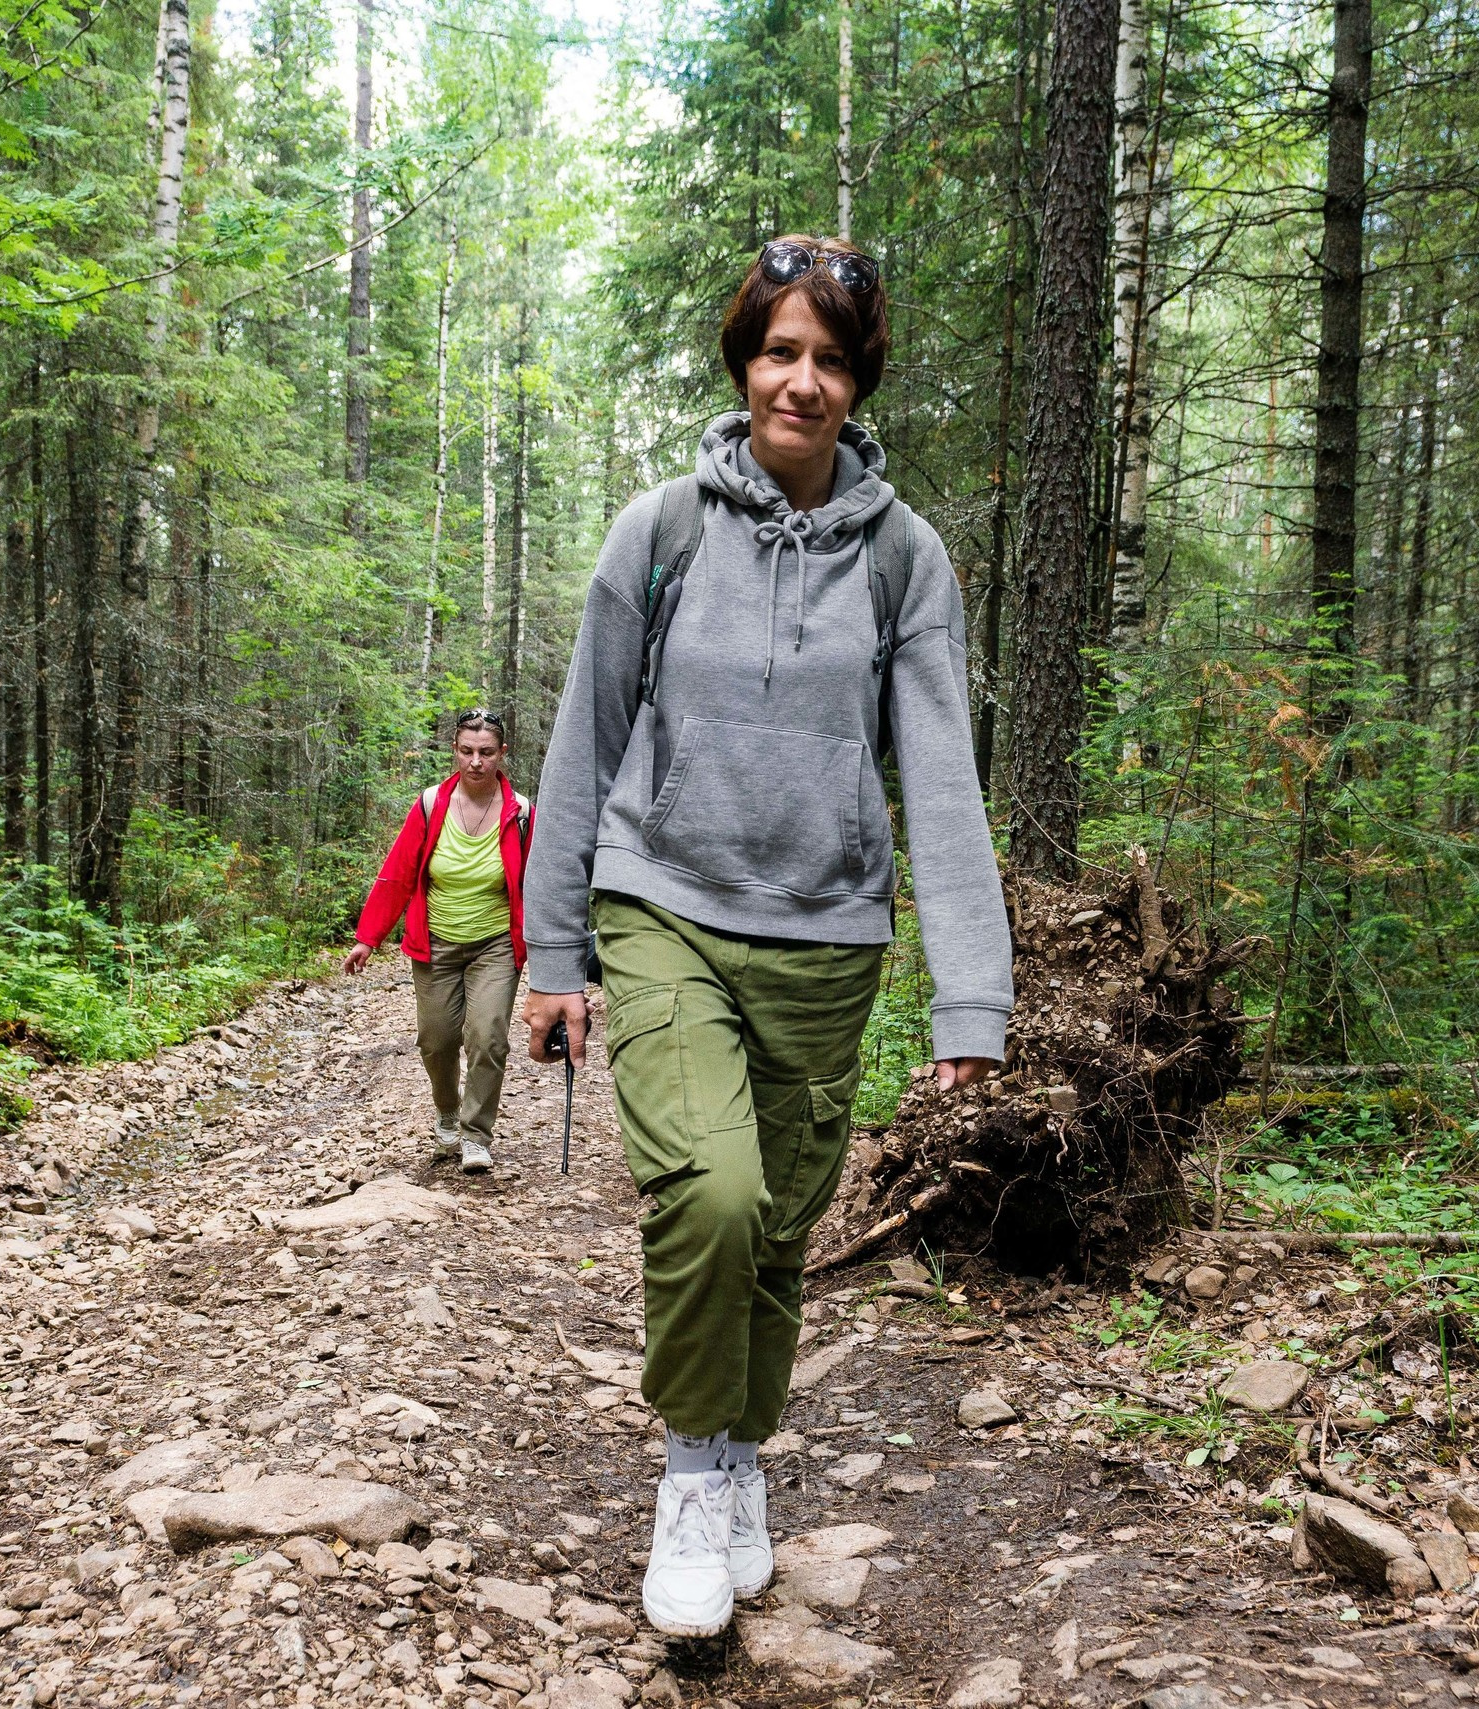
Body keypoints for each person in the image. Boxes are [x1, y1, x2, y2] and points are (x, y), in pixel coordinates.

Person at [522, 236, 1012, 1636]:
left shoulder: (904, 558)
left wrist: (972, 996)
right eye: (780, 351)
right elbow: (584, 738)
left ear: (859, 384)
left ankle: (740, 1458)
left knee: (782, 1229)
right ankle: (691, 1471)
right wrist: (554, 954)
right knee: (714, 1194)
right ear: (743, 362)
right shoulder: (661, 529)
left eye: (831, 360)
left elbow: (941, 775)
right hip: (663, 901)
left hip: (826, 936)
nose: (802, 382)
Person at [346, 709, 532, 1175]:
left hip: (496, 943)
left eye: (486, 752)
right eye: (467, 751)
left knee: (488, 1037)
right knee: (437, 1040)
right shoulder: (432, 805)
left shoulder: (521, 813)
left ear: (502, 753)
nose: (476, 762)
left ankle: (475, 1135)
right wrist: (368, 938)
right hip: (437, 943)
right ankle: (447, 1112)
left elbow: (538, 884)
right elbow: (398, 872)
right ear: (455, 751)